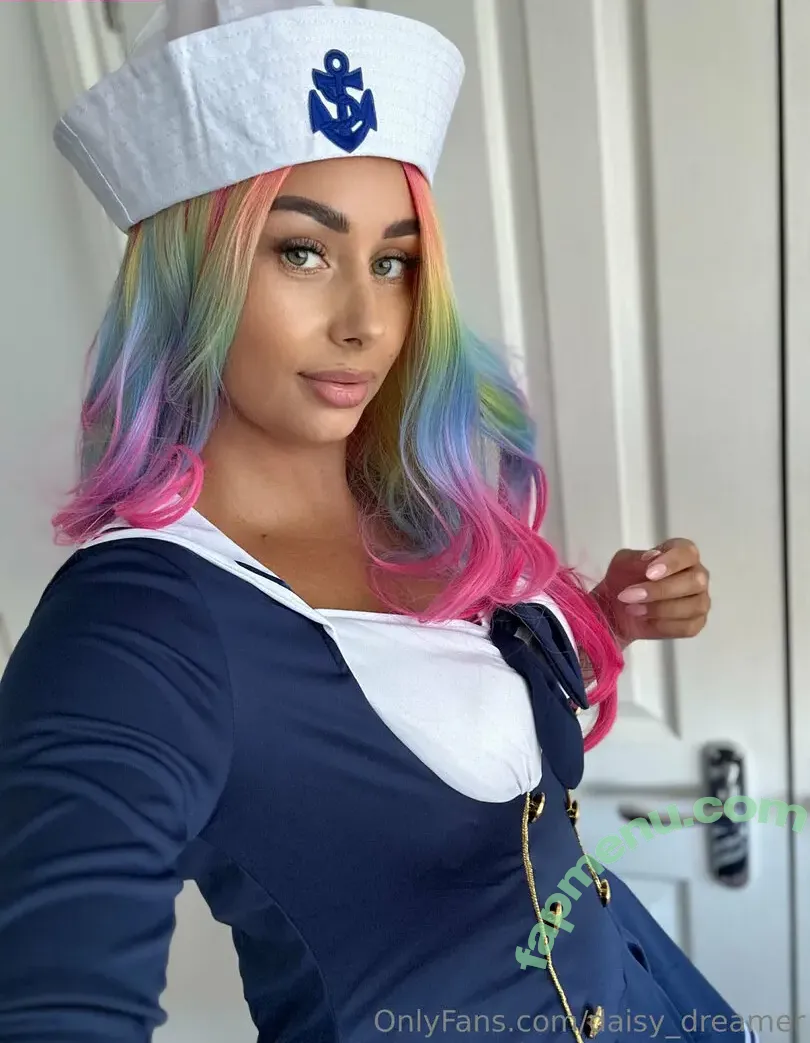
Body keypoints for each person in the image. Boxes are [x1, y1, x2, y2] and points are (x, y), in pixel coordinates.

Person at [0, 1, 738, 1041]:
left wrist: (606, 616)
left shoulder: (418, 508)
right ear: (188, 271)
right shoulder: (137, 625)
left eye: (393, 263)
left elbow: (453, 696)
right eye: (303, 252)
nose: (365, 322)